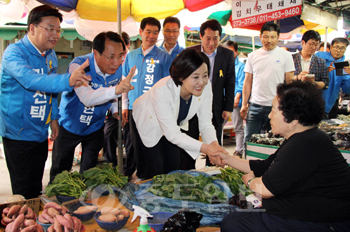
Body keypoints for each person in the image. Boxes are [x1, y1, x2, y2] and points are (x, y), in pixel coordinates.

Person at [212, 81, 350, 231]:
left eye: (273, 110)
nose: (270, 116)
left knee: (234, 223)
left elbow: (265, 189)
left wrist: (251, 181)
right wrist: (226, 159)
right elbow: (264, 167)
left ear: (293, 119)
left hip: (323, 222)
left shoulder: (305, 143)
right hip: (306, 213)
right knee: (236, 218)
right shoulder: (304, 137)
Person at [0, 5, 91, 199]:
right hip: (17, 132)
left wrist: (54, 118)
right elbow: (30, 80)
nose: (56, 34)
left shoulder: (50, 55)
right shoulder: (14, 53)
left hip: (40, 131)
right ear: (32, 28)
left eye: (58, 30)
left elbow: (50, 91)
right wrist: (68, 80)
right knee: (23, 190)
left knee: (36, 185)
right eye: (50, 29)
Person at [49, 32, 135, 183]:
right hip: (69, 125)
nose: (116, 62)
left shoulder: (119, 69)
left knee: (89, 174)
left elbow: (114, 95)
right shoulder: (79, 66)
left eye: (120, 56)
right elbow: (86, 98)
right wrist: (117, 90)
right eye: (111, 56)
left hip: (95, 127)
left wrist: (115, 110)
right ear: (96, 53)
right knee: (60, 173)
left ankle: (84, 203)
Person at [131, 49, 228, 180]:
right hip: (147, 120)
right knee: (155, 169)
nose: (202, 82)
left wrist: (214, 145)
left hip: (172, 125)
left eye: (205, 75)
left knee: (173, 165)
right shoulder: (162, 90)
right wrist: (206, 149)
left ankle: (169, 199)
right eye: (196, 77)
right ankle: (149, 197)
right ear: (182, 77)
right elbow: (172, 134)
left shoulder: (205, 87)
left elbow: (205, 123)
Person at [122, 17, 172, 179]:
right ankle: (140, 175)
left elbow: (167, 85)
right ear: (140, 32)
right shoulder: (131, 56)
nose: (151, 36)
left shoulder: (164, 57)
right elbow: (124, 80)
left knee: (151, 144)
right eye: (148, 32)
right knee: (135, 144)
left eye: (155, 33)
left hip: (153, 109)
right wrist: (124, 105)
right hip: (132, 108)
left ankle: (152, 177)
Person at [189, 19, 235, 166]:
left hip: (216, 106)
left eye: (215, 38)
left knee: (214, 140)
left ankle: (213, 172)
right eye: (208, 38)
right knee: (190, 140)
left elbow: (230, 82)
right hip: (191, 105)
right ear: (201, 36)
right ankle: (188, 169)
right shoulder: (190, 53)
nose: (211, 42)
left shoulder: (227, 55)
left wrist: (228, 108)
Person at [241, 22, 295, 145]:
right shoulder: (252, 56)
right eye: (265, 36)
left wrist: (287, 104)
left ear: (278, 37)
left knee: (275, 142)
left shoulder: (285, 56)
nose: (268, 40)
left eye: (272, 37)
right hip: (255, 106)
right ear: (260, 36)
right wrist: (244, 104)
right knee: (249, 141)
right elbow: (247, 81)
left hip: (276, 107)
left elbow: (290, 82)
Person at [103, 32, 130, 167]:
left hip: (129, 106)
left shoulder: (131, 59)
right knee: (109, 134)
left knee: (130, 138)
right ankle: (110, 165)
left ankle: (129, 168)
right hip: (113, 105)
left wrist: (125, 106)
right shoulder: (109, 61)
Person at [315, 37, 350, 119]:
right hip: (311, 101)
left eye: (342, 48)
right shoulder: (320, 57)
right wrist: (325, 71)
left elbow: (346, 90)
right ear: (331, 47)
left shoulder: (342, 66)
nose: (339, 50)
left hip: (328, 106)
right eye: (337, 47)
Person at [224, 41, 245, 158]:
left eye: (231, 52)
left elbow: (241, 84)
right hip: (224, 100)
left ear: (236, 52)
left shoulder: (241, 66)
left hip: (236, 101)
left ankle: (239, 150)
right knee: (218, 125)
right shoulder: (223, 64)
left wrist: (237, 98)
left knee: (238, 126)